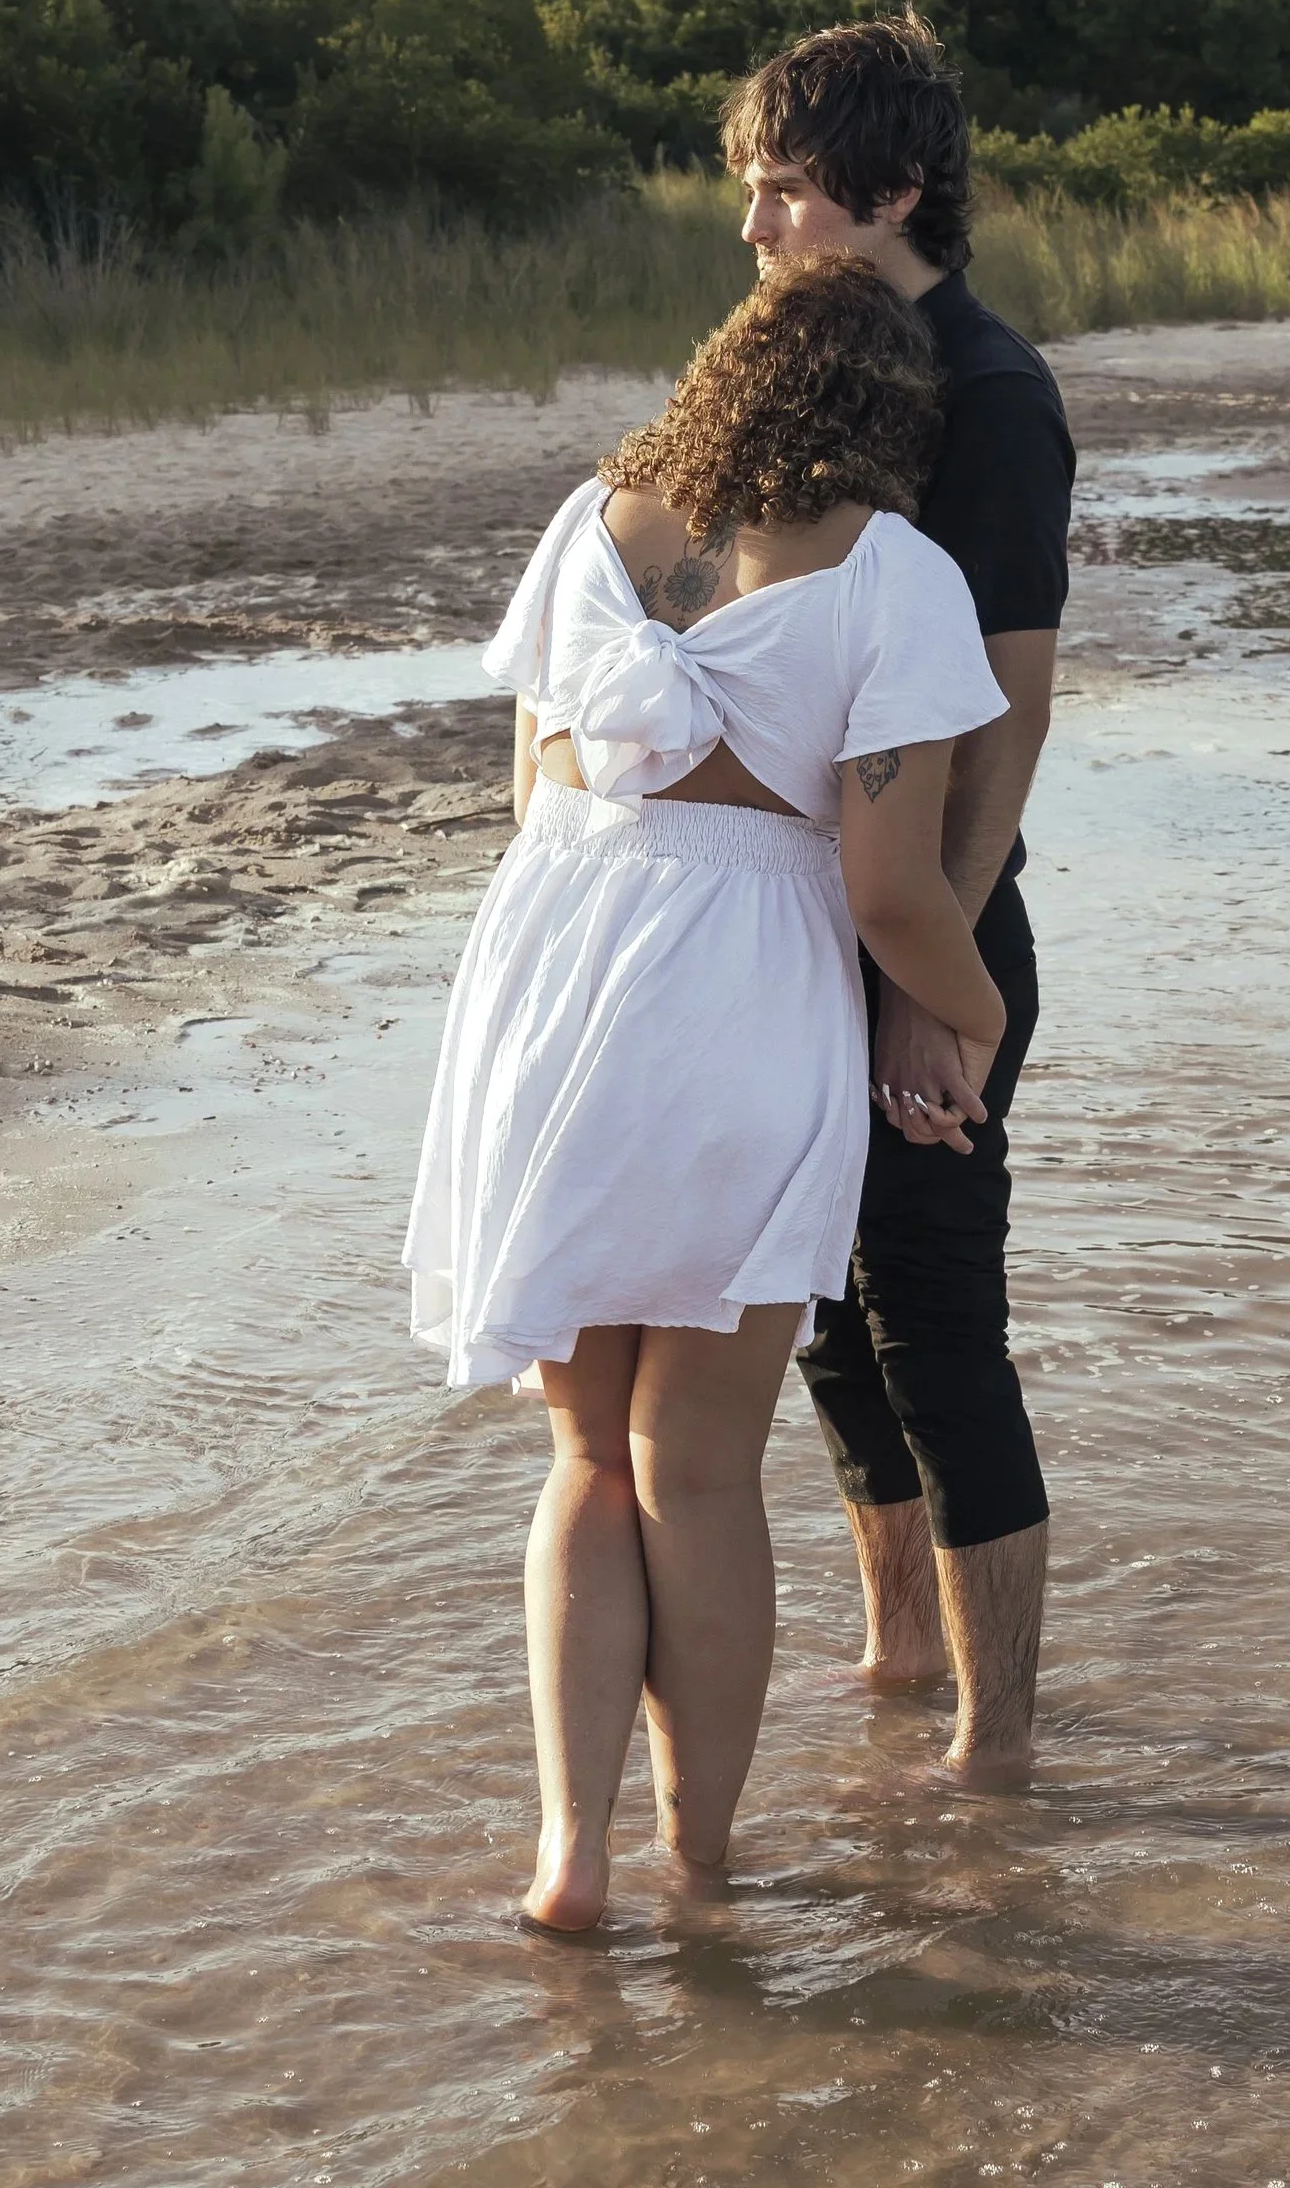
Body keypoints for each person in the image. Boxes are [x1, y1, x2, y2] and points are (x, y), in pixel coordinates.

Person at [404, 253, 1011, 1933]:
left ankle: (569, 1858)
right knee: (703, 1466)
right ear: (894, 416)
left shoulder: (599, 523)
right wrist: (977, 1008)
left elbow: (531, 781)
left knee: (587, 1454)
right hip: (741, 990)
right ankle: (701, 1859)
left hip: (555, 978)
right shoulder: (897, 574)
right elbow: (894, 891)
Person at [724, 16, 1074, 1785]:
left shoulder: (991, 395)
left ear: (895, 191)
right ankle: (892, 1651)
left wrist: (924, 971)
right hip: (799, 922)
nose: (758, 232)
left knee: (940, 1329)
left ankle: (994, 1756)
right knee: (827, 1325)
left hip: (930, 925)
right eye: (756, 194)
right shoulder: (810, 369)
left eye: (784, 194)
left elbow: (1010, 709)